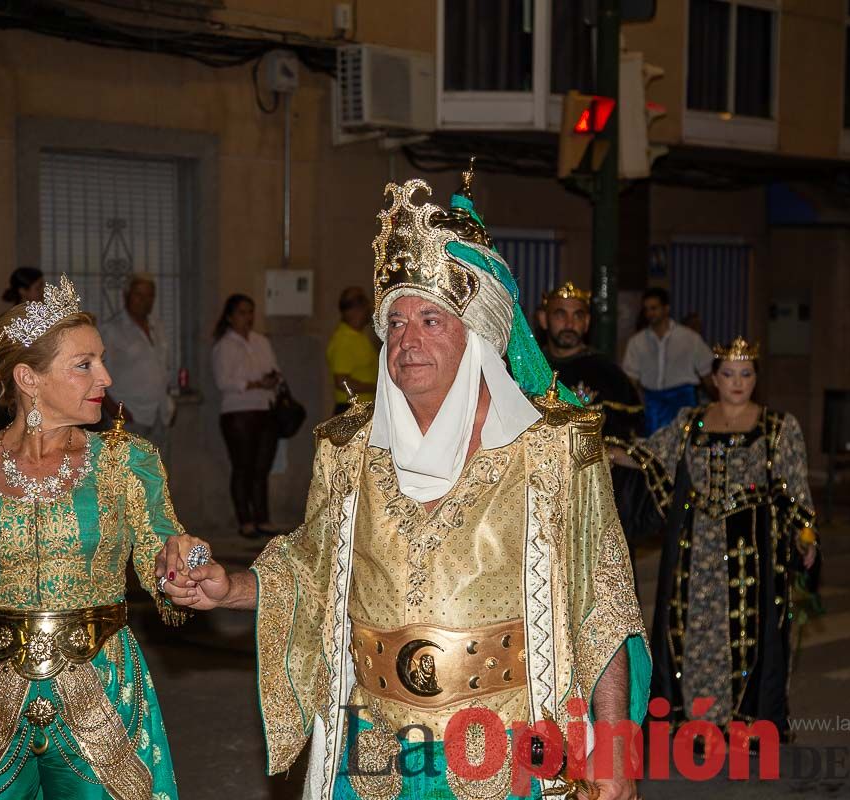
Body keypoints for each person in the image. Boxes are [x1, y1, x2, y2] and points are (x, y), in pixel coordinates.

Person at [159, 171, 651, 800]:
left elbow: (603, 606)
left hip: (504, 747)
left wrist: (612, 753)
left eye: (430, 319)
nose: (406, 340)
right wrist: (230, 588)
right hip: (372, 753)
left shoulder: (555, 449)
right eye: (394, 322)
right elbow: (312, 574)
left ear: (476, 337)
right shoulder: (347, 449)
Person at [0, 275, 193, 800]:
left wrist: (186, 562)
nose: (106, 375)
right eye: (85, 365)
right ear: (29, 379)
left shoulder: (128, 462)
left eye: (100, 359)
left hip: (103, 696)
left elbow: (162, 556)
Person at [639, 337, 818, 735]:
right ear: (714, 379)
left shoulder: (777, 427)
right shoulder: (691, 422)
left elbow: (796, 490)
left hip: (750, 549)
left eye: (746, 374)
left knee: (743, 633)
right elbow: (649, 455)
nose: (738, 382)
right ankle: (695, 719)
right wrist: (593, 442)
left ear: (756, 377)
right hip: (695, 549)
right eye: (728, 374)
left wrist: (805, 537)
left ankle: (740, 719)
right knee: (694, 631)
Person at [537, 281, 649, 551]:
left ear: (587, 322)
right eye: (560, 314)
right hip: (539, 496)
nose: (569, 323)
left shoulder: (610, 374)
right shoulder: (529, 369)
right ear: (543, 319)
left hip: (596, 500)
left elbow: (631, 437)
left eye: (578, 315)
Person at [212, 294, 280, 538]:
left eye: (250, 312)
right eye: (241, 312)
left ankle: (263, 518)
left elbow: (274, 370)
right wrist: (253, 383)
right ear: (230, 316)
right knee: (243, 467)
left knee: (261, 468)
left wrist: (270, 380)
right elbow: (224, 381)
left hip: (265, 408)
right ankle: (245, 520)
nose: (247, 317)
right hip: (237, 412)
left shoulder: (261, 341)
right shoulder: (224, 345)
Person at [621, 288, 714, 435]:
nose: (650, 313)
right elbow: (631, 380)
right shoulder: (636, 342)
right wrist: (638, 407)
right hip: (653, 407)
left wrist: (717, 401)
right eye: (647, 309)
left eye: (654, 308)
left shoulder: (689, 338)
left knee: (684, 448)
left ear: (666, 308)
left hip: (684, 403)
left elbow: (708, 373)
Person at [101, 274, 173, 455]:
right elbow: (95, 376)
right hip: (129, 415)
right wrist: (114, 410)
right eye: (139, 295)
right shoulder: (111, 330)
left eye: (150, 296)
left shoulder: (158, 327)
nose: (145, 301)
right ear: (126, 296)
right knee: (128, 478)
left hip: (159, 414)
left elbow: (163, 368)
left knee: (157, 477)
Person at [326, 286, 379, 414]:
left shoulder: (358, 336)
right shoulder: (344, 340)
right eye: (366, 305)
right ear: (356, 310)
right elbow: (342, 382)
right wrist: (376, 387)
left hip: (362, 408)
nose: (370, 310)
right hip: (352, 409)